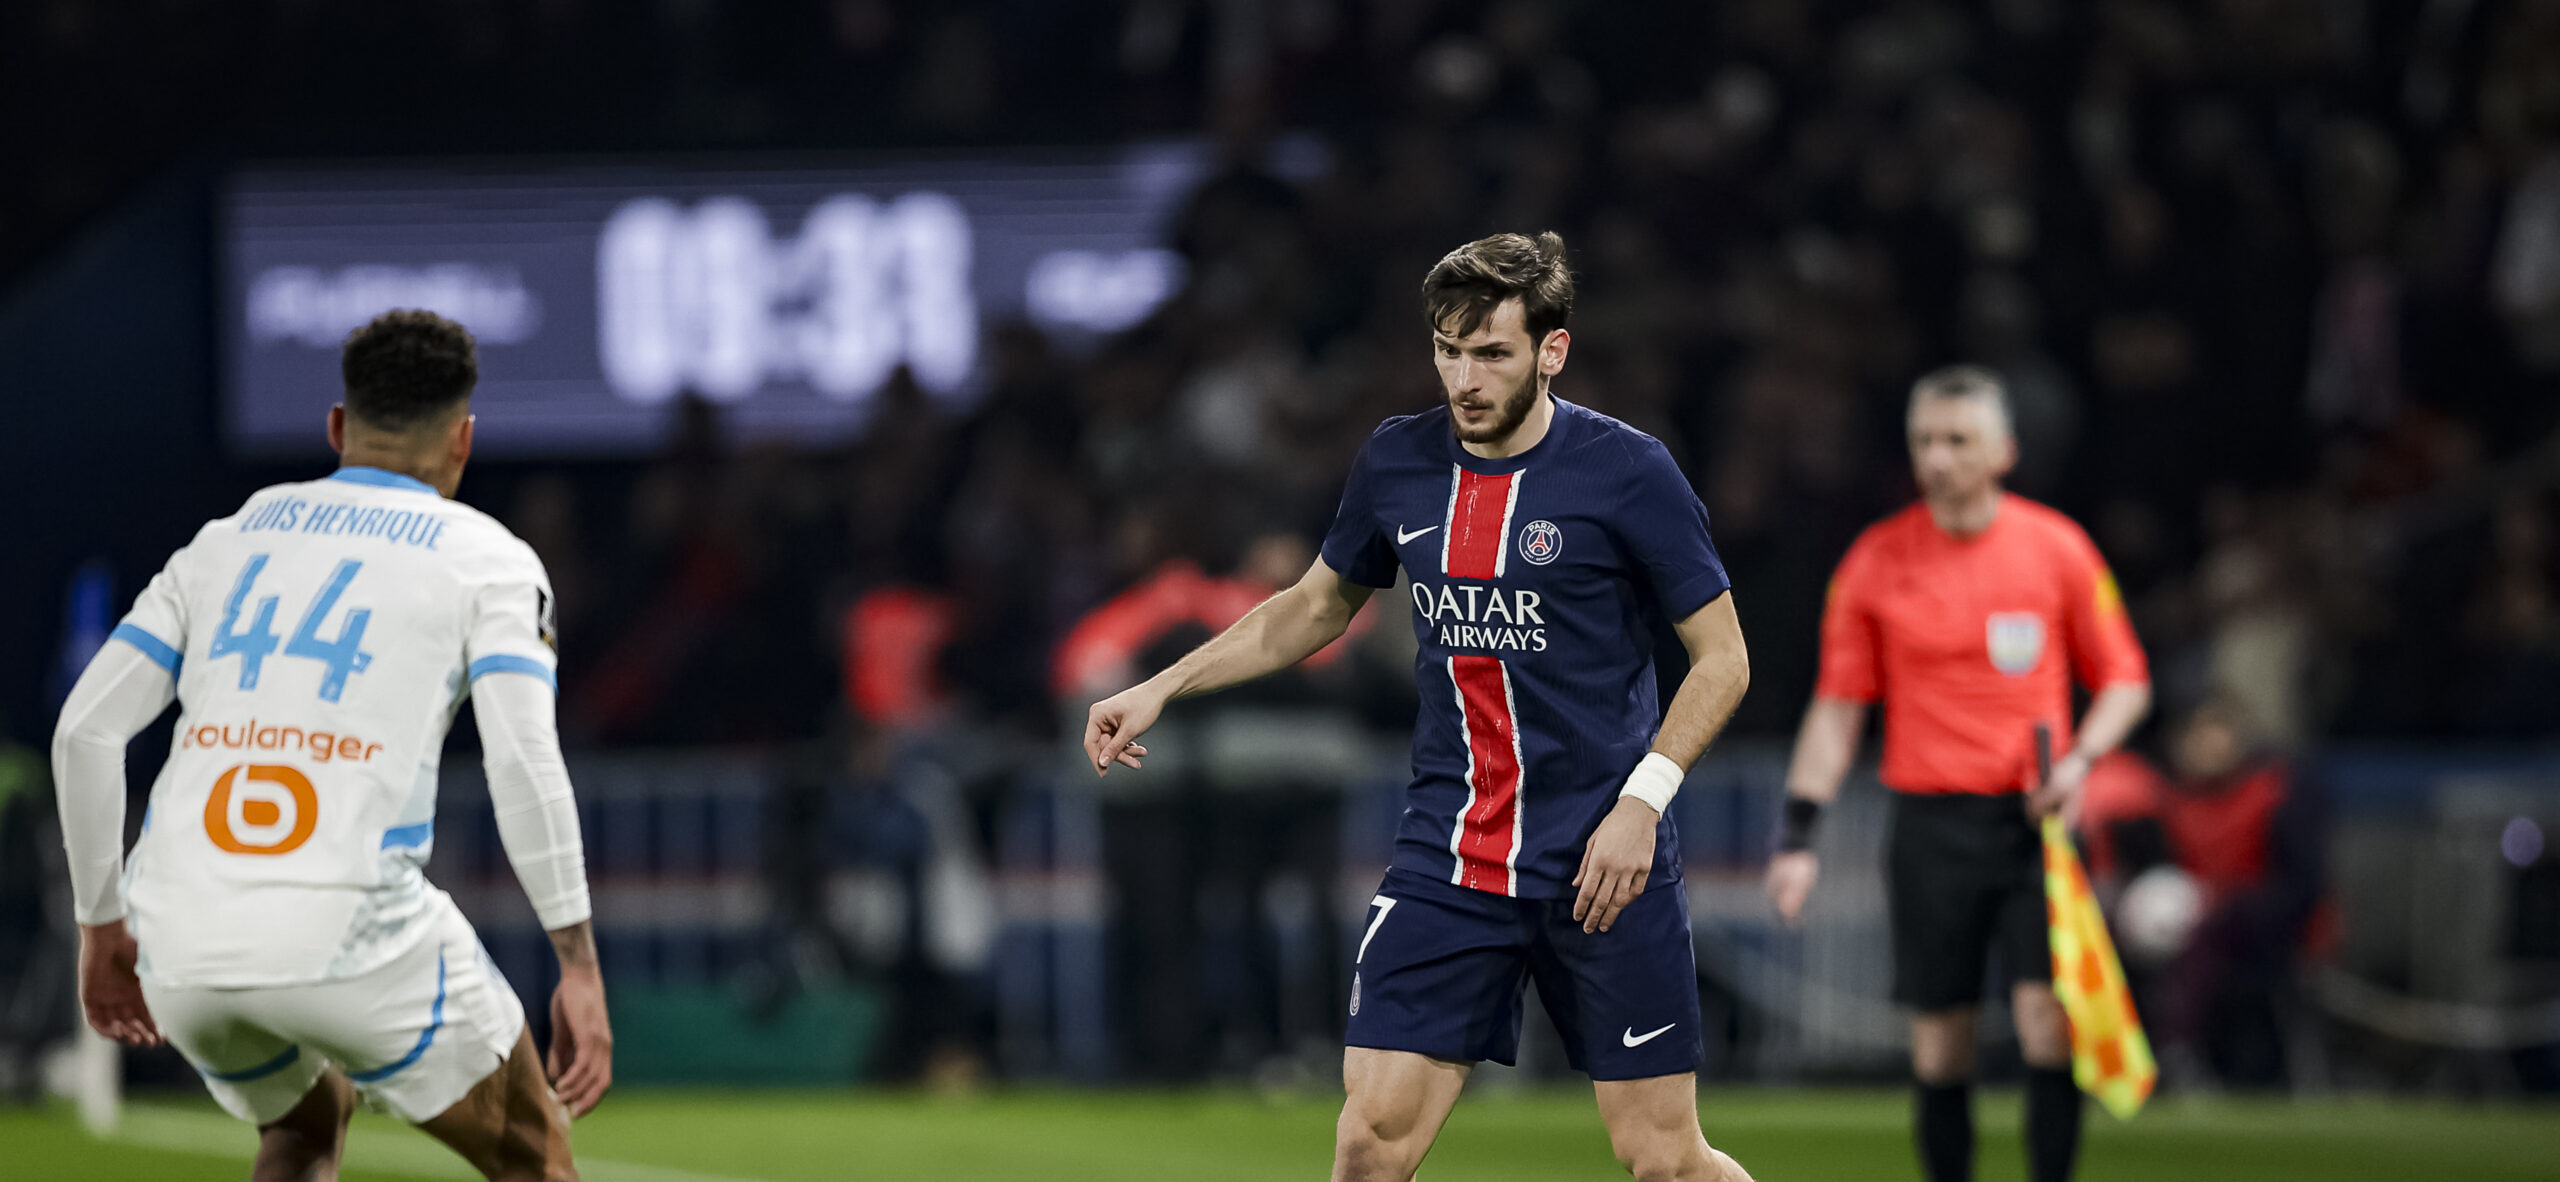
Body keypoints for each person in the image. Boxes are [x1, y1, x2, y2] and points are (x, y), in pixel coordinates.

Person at [1086, 232, 1757, 1182]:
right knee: (1367, 1146)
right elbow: (1314, 606)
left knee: (1664, 1160)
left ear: (1551, 352)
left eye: (1491, 352)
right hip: (1452, 858)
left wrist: (1643, 803)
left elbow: (1722, 659)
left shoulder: (1630, 471)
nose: (1465, 377)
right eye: (1448, 349)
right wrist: (1158, 688)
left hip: (1603, 858)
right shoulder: (1397, 461)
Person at [51, 310, 610, 1181]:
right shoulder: (490, 560)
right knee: (535, 1161)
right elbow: (524, 762)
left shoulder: (224, 542)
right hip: (353, 927)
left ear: (337, 427)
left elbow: (84, 732)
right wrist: (577, 964)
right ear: (462, 442)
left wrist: (100, 928)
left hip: (183, 934)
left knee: (305, 1124)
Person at [1764, 366, 2151, 1182]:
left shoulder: (2057, 549)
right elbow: (1838, 710)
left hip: (2032, 826)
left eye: (1957, 441)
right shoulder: (1874, 561)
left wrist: (2080, 761)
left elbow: (2125, 678)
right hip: (1930, 825)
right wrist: (1798, 834)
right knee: (1943, 1040)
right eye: (1925, 442)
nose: (1938, 458)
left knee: (2051, 1020)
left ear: (2004, 451)